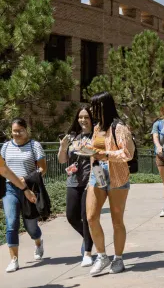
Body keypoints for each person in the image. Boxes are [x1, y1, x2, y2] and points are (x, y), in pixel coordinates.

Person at [86, 92, 135, 276]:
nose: (91, 110)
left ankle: (118, 258)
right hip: (97, 174)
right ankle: (101, 256)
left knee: (117, 221)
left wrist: (106, 155)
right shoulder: (97, 127)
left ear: (102, 106)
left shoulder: (119, 127)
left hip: (117, 176)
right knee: (91, 216)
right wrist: (87, 150)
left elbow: (127, 154)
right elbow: (95, 150)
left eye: (94, 106)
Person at [1, 118, 46, 273]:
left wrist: (25, 179)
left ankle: (38, 243)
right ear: (10, 131)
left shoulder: (35, 146)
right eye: (14, 130)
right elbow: (2, 168)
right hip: (10, 189)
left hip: (29, 189)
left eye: (20, 130)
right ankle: (14, 259)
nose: (17, 133)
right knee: (11, 222)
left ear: (26, 130)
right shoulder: (6, 147)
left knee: (31, 227)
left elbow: (42, 169)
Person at [57, 105, 94, 267]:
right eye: (81, 117)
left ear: (92, 119)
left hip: (90, 181)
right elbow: (62, 160)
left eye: (86, 117)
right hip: (72, 181)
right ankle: (89, 238)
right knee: (71, 216)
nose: (83, 120)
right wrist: (63, 147)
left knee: (87, 217)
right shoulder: (72, 137)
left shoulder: (96, 135)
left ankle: (87, 252)